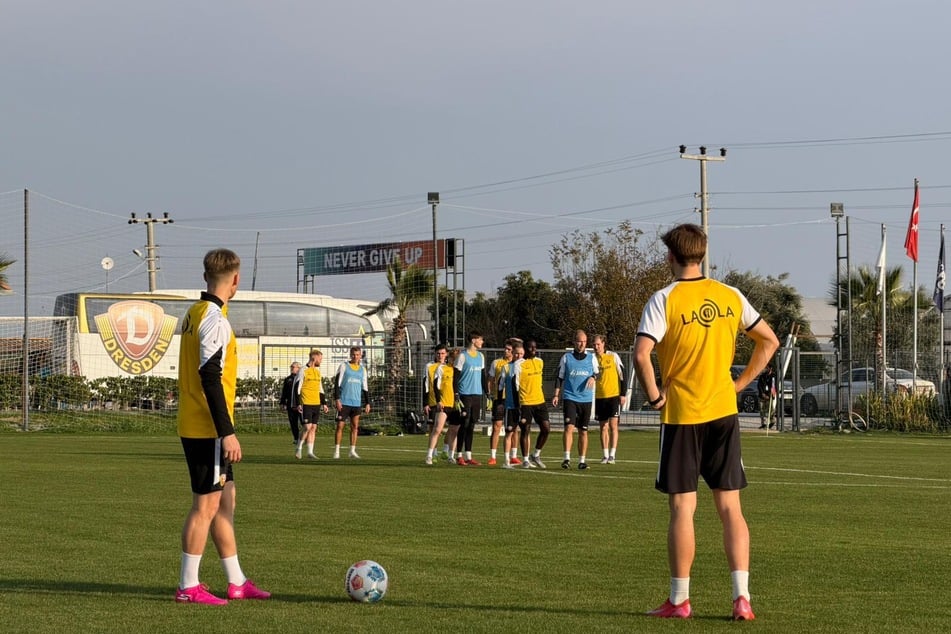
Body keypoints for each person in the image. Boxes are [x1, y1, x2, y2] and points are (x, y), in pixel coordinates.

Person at [634, 224, 778, 621]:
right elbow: (769, 340)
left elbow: (642, 354)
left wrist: (656, 397)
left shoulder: (664, 299)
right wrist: (739, 384)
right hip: (723, 414)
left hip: (682, 416)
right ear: (702, 254)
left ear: (670, 256)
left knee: (683, 508)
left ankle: (679, 601)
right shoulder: (729, 295)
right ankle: (742, 599)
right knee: (731, 508)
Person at [175, 248, 270, 605]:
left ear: (205, 277)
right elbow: (210, 377)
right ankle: (188, 586)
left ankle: (236, 581)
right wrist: (226, 431)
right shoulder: (214, 318)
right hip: (206, 427)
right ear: (236, 279)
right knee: (205, 506)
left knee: (225, 501)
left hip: (195, 421)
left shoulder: (192, 313)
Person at [553, 330, 599, 470]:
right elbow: (559, 377)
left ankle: (582, 460)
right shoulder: (566, 358)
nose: (581, 344)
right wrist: (556, 395)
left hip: (586, 399)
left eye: (584, 341)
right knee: (569, 427)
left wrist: (593, 377)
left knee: (583, 431)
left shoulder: (591, 358)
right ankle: (566, 458)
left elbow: (597, 373)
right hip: (570, 397)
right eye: (579, 341)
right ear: (574, 341)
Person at [451, 331, 487, 466]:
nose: (482, 342)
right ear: (473, 340)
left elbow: (483, 376)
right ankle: (458, 455)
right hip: (465, 394)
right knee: (464, 423)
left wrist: (487, 394)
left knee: (472, 424)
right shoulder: (462, 356)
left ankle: (469, 456)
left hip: (477, 394)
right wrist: (456, 395)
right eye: (480, 339)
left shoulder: (480, 356)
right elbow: (455, 377)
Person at [513, 339, 550, 468]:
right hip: (526, 403)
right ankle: (525, 459)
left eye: (535, 347)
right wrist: (517, 405)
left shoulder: (540, 362)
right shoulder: (519, 364)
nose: (533, 350)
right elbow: (515, 385)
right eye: (530, 348)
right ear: (525, 349)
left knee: (546, 428)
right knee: (525, 430)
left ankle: (536, 454)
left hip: (540, 401)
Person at [593, 334, 627, 464]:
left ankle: (613, 455)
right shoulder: (592, 359)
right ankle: (605, 455)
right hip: (599, 397)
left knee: (613, 425)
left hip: (613, 396)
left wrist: (622, 394)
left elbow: (622, 374)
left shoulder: (613, 356)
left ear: (603, 344)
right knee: (603, 427)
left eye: (598, 344)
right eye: (594, 345)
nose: (596, 347)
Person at [334, 346, 371, 459]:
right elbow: (337, 383)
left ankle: (352, 451)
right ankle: (337, 451)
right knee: (340, 426)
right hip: (344, 402)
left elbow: (365, 387)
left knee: (355, 427)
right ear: (351, 355)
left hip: (356, 403)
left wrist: (367, 403)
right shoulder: (344, 366)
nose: (356, 357)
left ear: (361, 356)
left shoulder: (362, 369)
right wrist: (337, 399)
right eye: (354, 354)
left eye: (358, 355)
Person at [294, 349, 329, 459]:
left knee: (313, 427)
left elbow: (320, 389)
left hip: (316, 403)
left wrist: (324, 403)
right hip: (306, 403)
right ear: (314, 358)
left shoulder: (317, 372)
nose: (321, 361)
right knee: (307, 427)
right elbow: (297, 387)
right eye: (320, 359)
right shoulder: (303, 370)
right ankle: (299, 448)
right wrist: (298, 403)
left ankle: (310, 452)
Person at [486, 340, 515, 466]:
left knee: (514, 428)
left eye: (509, 349)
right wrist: (489, 395)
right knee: (496, 426)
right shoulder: (496, 363)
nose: (506, 351)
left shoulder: (517, 364)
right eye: (505, 348)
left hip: (513, 399)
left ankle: (513, 455)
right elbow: (490, 379)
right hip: (499, 398)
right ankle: (493, 456)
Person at [423, 344, 449, 464]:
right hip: (433, 401)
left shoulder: (449, 366)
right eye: (438, 353)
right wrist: (425, 403)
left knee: (450, 427)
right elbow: (425, 385)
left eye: (443, 353)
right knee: (433, 428)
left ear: (446, 354)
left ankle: (446, 450)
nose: (440, 356)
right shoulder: (429, 366)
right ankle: (434, 452)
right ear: (435, 354)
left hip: (447, 402)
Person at [501, 341, 525, 468]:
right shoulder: (506, 367)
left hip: (525, 405)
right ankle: (506, 460)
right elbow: (500, 386)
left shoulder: (527, 366)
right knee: (509, 432)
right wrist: (500, 402)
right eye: (516, 353)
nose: (519, 356)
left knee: (525, 431)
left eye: (521, 353)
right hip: (510, 406)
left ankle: (524, 458)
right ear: (512, 353)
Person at [279, 361, 302, 445]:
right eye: (291, 367)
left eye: (293, 367)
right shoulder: (288, 379)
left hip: (301, 404)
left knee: (304, 423)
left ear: (299, 368)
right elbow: (284, 392)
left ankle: (305, 438)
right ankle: (296, 438)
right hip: (291, 405)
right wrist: (282, 402)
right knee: (293, 422)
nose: (291, 368)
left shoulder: (302, 378)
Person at [757, 364, 777, 429]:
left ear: (770, 369)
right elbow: (759, 385)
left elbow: (773, 386)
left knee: (770, 409)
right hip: (762, 395)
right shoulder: (762, 376)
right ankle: (763, 423)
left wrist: (769, 395)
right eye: (766, 368)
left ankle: (772, 421)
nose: (766, 369)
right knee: (762, 409)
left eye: (767, 368)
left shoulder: (773, 377)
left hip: (769, 396)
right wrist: (762, 393)